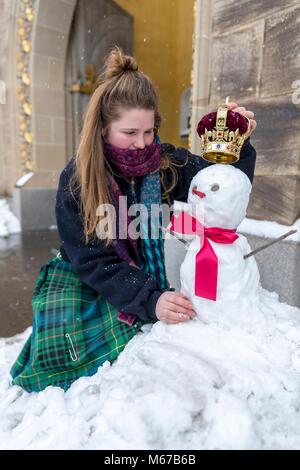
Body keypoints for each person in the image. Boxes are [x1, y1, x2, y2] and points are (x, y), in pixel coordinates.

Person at [10, 47, 257, 392]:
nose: (142, 144)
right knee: (69, 366)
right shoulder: (78, 180)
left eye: (149, 131)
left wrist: (240, 143)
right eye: (129, 133)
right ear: (102, 128)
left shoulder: (166, 161)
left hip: (138, 280)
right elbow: (93, 261)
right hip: (87, 282)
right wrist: (151, 299)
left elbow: (225, 186)